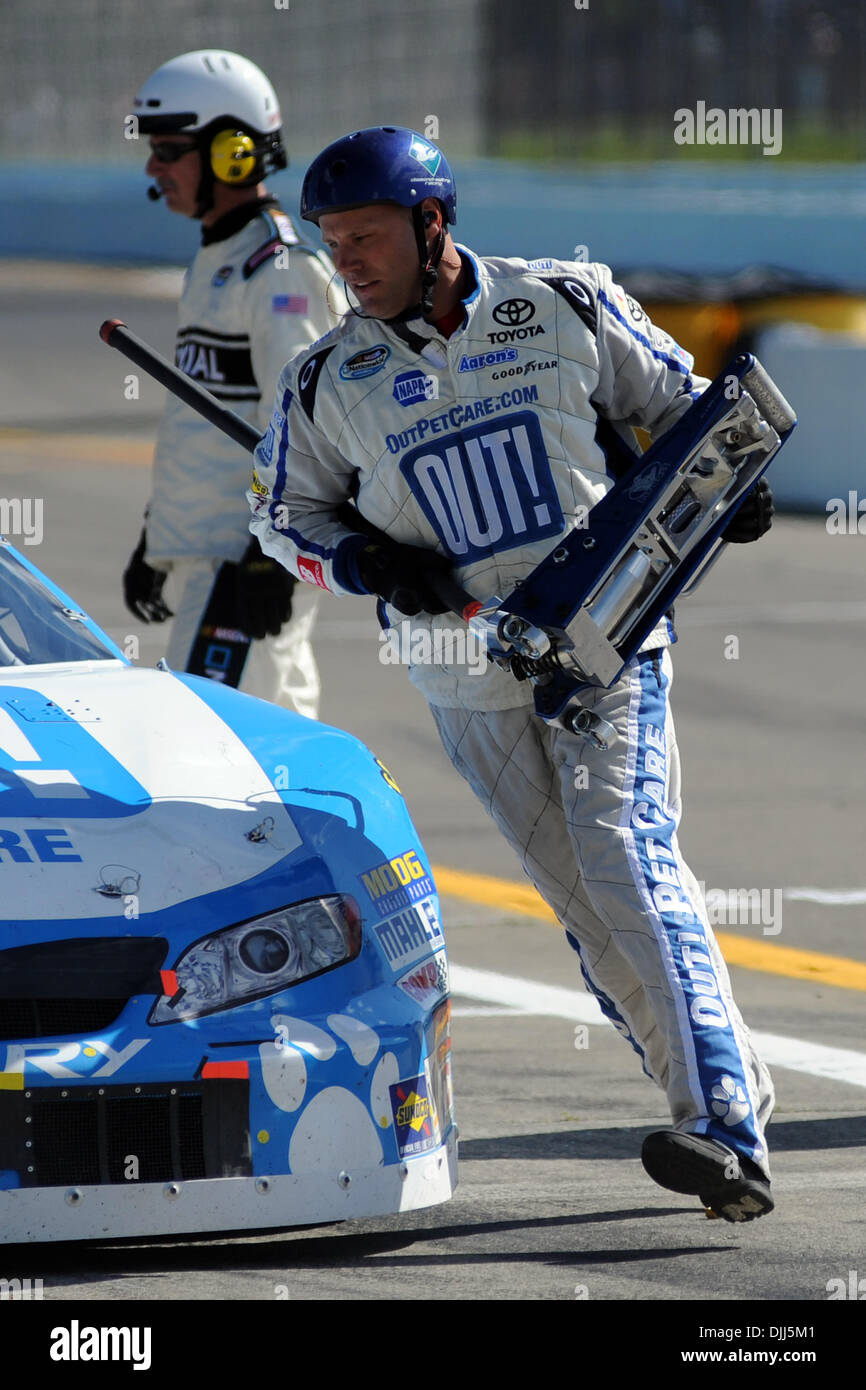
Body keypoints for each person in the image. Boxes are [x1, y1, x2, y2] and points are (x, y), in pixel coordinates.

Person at [247, 126, 777, 1221]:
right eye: (332, 240)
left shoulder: (565, 300)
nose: (345, 259)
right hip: (459, 674)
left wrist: (731, 482)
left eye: (367, 235)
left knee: (622, 852)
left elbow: (681, 406)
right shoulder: (323, 381)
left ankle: (719, 1119)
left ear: (432, 221)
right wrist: (358, 557)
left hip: (604, 632)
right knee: (584, 906)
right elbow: (277, 517)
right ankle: (719, 1104)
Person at [123, 50, 344, 715]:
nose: (153, 169)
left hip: (243, 564)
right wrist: (156, 538)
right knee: (266, 748)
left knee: (214, 758)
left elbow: (312, 429)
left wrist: (266, 559)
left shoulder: (278, 271)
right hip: (213, 560)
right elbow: (209, 421)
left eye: (168, 150)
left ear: (234, 154)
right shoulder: (219, 257)